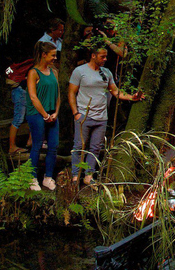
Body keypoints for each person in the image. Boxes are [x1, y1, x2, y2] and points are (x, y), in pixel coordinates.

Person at [68, 45, 144, 185]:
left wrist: (132, 97)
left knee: (96, 147)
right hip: (84, 115)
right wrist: (76, 113)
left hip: (101, 117)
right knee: (79, 146)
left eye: (106, 56)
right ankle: (75, 176)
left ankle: (88, 176)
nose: (105, 59)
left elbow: (115, 91)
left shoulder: (106, 72)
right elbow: (71, 92)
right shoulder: (80, 71)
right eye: (102, 56)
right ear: (93, 56)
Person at [25, 42, 60, 191]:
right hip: (37, 114)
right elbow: (33, 97)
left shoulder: (54, 72)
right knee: (37, 145)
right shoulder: (33, 73)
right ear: (44, 55)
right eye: (52, 55)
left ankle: (48, 177)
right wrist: (45, 115)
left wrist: (56, 112)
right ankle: (32, 178)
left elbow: (58, 94)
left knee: (53, 146)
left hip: (52, 113)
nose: (55, 57)